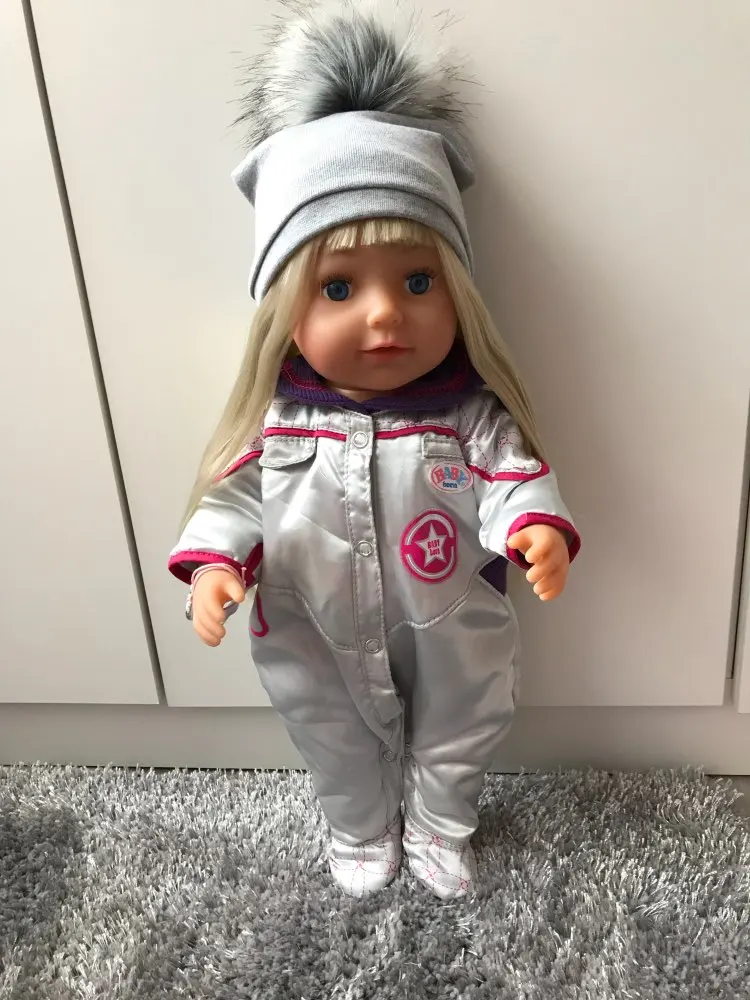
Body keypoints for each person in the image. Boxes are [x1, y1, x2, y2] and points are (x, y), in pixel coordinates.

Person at [169, 0, 580, 900]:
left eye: (418, 280)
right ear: (285, 312)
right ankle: (357, 825)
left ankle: (439, 822)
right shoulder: (278, 424)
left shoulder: (466, 416)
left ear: (457, 293)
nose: (386, 313)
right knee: (327, 729)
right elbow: (233, 497)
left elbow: (512, 471)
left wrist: (533, 527)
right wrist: (217, 566)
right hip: (309, 619)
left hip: (447, 619)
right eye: (339, 287)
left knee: (464, 715)